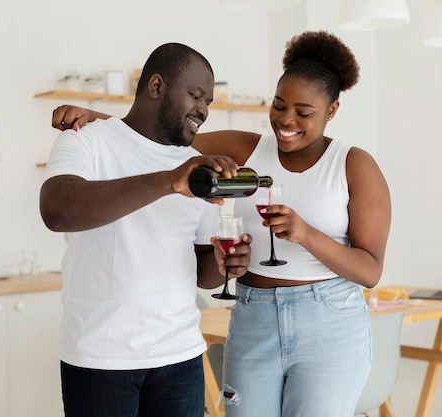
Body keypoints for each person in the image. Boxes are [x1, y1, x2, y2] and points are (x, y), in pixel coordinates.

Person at [51, 30, 392, 417]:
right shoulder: (244, 148)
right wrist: (96, 119)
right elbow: (162, 136)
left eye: (304, 112)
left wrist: (306, 235)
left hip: (328, 319)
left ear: (331, 111)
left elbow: (370, 270)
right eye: (279, 106)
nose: (286, 120)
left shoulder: (354, 165)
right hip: (253, 313)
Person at [39, 42, 253, 417]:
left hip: (181, 356)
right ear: (156, 87)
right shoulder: (85, 139)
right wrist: (169, 181)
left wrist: (223, 262)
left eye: (209, 102)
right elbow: (57, 211)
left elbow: (202, 269)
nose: (204, 109)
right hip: (100, 358)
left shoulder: (193, 164)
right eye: (196, 95)